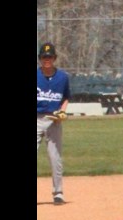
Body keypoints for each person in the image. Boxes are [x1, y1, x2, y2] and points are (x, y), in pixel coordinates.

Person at [37, 42, 70, 206]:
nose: (47, 59)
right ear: (39, 59)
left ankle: (58, 193)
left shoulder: (62, 77)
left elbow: (65, 97)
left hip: (53, 120)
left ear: (55, 58)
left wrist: (62, 111)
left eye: (49, 57)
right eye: (44, 57)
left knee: (55, 157)